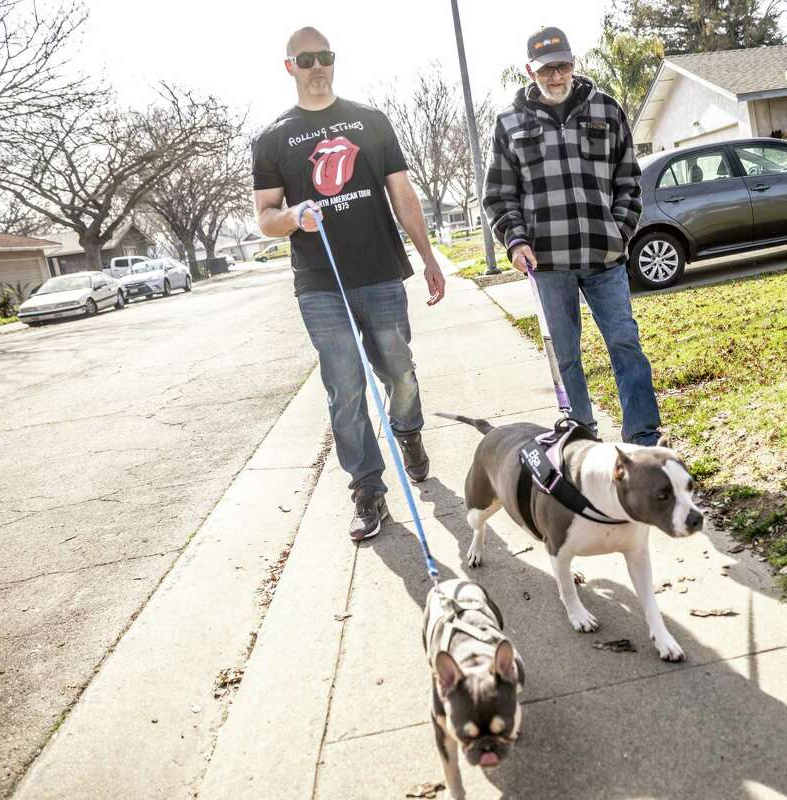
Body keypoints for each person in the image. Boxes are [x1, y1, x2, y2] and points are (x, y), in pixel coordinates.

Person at [252, 26, 446, 541]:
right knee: (345, 388)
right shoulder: (272, 138)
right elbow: (265, 217)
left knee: (399, 373)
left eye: (325, 57)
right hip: (319, 283)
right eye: (306, 58)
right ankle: (367, 489)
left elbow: (403, 194)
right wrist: (294, 215)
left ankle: (409, 433)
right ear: (289, 66)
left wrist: (427, 256)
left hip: (381, 272)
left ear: (334, 62)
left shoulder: (370, 121)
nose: (318, 66)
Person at [483, 26, 662, 446]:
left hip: (605, 259)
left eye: (562, 66)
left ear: (574, 64)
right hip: (547, 264)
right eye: (546, 69)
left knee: (625, 343)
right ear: (531, 71)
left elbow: (629, 180)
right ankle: (581, 436)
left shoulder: (606, 109)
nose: (556, 76)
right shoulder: (509, 122)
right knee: (566, 356)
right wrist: (515, 240)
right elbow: (499, 193)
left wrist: (618, 231)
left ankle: (643, 437)